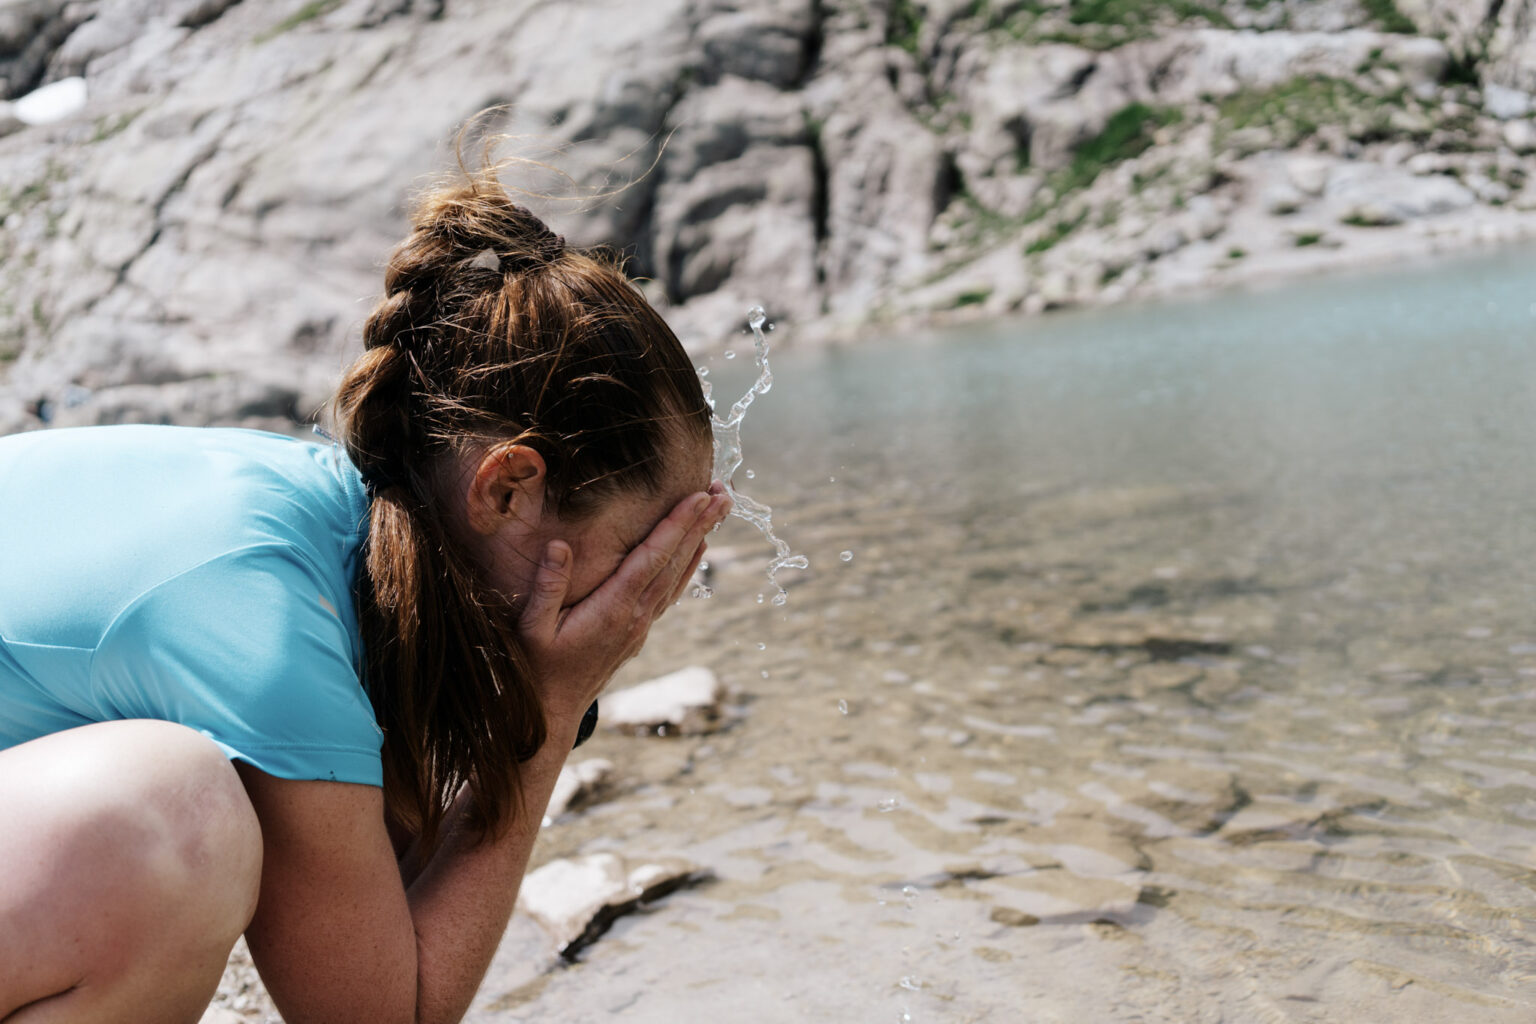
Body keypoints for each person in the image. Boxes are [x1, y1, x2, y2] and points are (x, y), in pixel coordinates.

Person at [0, 167, 732, 1024]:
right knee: (177, 813)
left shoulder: (339, 538)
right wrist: (554, 712)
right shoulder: (268, 614)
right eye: (639, 554)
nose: (644, 601)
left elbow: (380, 917)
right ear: (505, 490)